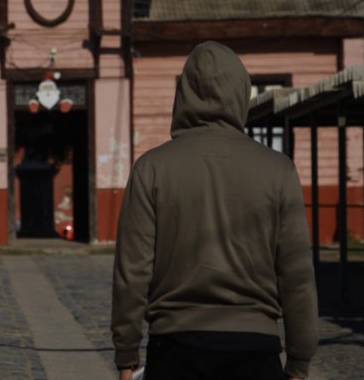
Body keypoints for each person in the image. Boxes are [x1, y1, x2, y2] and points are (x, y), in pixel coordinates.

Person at [111, 42, 317, 380]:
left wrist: (126, 354)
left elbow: (132, 271)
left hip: (174, 348)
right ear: (240, 93)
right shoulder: (278, 170)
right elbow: (297, 276)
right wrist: (299, 361)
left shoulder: (151, 168)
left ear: (184, 94)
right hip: (255, 349)